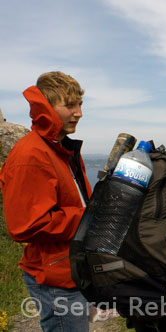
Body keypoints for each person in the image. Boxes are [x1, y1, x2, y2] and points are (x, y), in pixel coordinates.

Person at [0, 71, 91, 332]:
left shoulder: (60, 149)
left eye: (80, 105)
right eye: (70, 105)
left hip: (70, 270)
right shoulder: (32, 154)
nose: (78, 113)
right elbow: (26, 225)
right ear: (47, 107)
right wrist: (88, 217)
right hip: (55, 277)